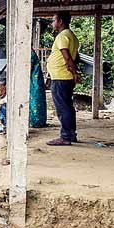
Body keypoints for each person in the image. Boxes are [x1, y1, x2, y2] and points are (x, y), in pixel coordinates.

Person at [47, 11, 80, 145]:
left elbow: (67, 56)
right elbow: (76, 57)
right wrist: (74, 72)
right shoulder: (72, 36)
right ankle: (70, 134)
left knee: (63, 108)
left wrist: (74, 71)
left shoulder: (62, 36)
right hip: (65, 76)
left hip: (61, 76)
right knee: (68, 106)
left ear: (60, 21)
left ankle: (65, 137)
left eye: (54, 20)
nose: (52, 23)